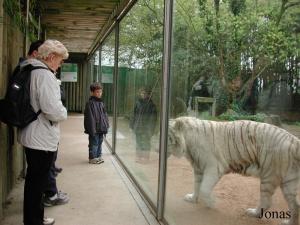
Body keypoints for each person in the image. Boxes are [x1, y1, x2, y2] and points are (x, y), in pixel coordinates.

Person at [18, 39, 69, 225]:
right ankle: (33, 221)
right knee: (37, 184)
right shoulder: (45, 75)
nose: (60, 64)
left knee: (34, 182)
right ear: (50, 56)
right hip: (41, 137)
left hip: (33, 134)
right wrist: (64, 112)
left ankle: (34, 218)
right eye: (60, 60)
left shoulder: (30, 69)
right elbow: (53, 110)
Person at [84, 82, 109, 164]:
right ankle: (92, 157)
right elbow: (89, 118)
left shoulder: (101, 103)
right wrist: (92, 129)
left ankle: (98, 156)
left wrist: (106, 125)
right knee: (94, 143)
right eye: (97, 92)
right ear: (92, 92)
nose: (99, 93)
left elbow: (105, 115)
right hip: (94, 129)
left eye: (100, 92)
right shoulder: (90, 103)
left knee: (100, 142)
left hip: (101, 128)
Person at [130, 87, 157, 162]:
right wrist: (132, 125)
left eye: (145, 93)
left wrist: (150, 129)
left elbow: (153, 119)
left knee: (146, 143)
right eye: (142, 93)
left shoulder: (152, 105)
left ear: (149, 95)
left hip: (146, 128)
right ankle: (139, 156)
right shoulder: (138, 103)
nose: (143, 94)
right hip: (138, 126)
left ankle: (145, 157)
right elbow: (133, 114)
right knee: (138, 142)